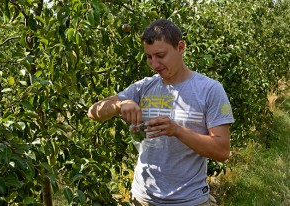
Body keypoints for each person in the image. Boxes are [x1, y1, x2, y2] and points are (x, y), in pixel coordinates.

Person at [88, 19, 234, 206]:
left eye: (160, 55)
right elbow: (92, 112)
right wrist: (119, 105)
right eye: (149, 57)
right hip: (142, 198)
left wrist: (177, 131)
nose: (154, 64)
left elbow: (222, 151)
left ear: (180, 47)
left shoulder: (210, 90)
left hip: (189, 201)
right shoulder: (144, 87)